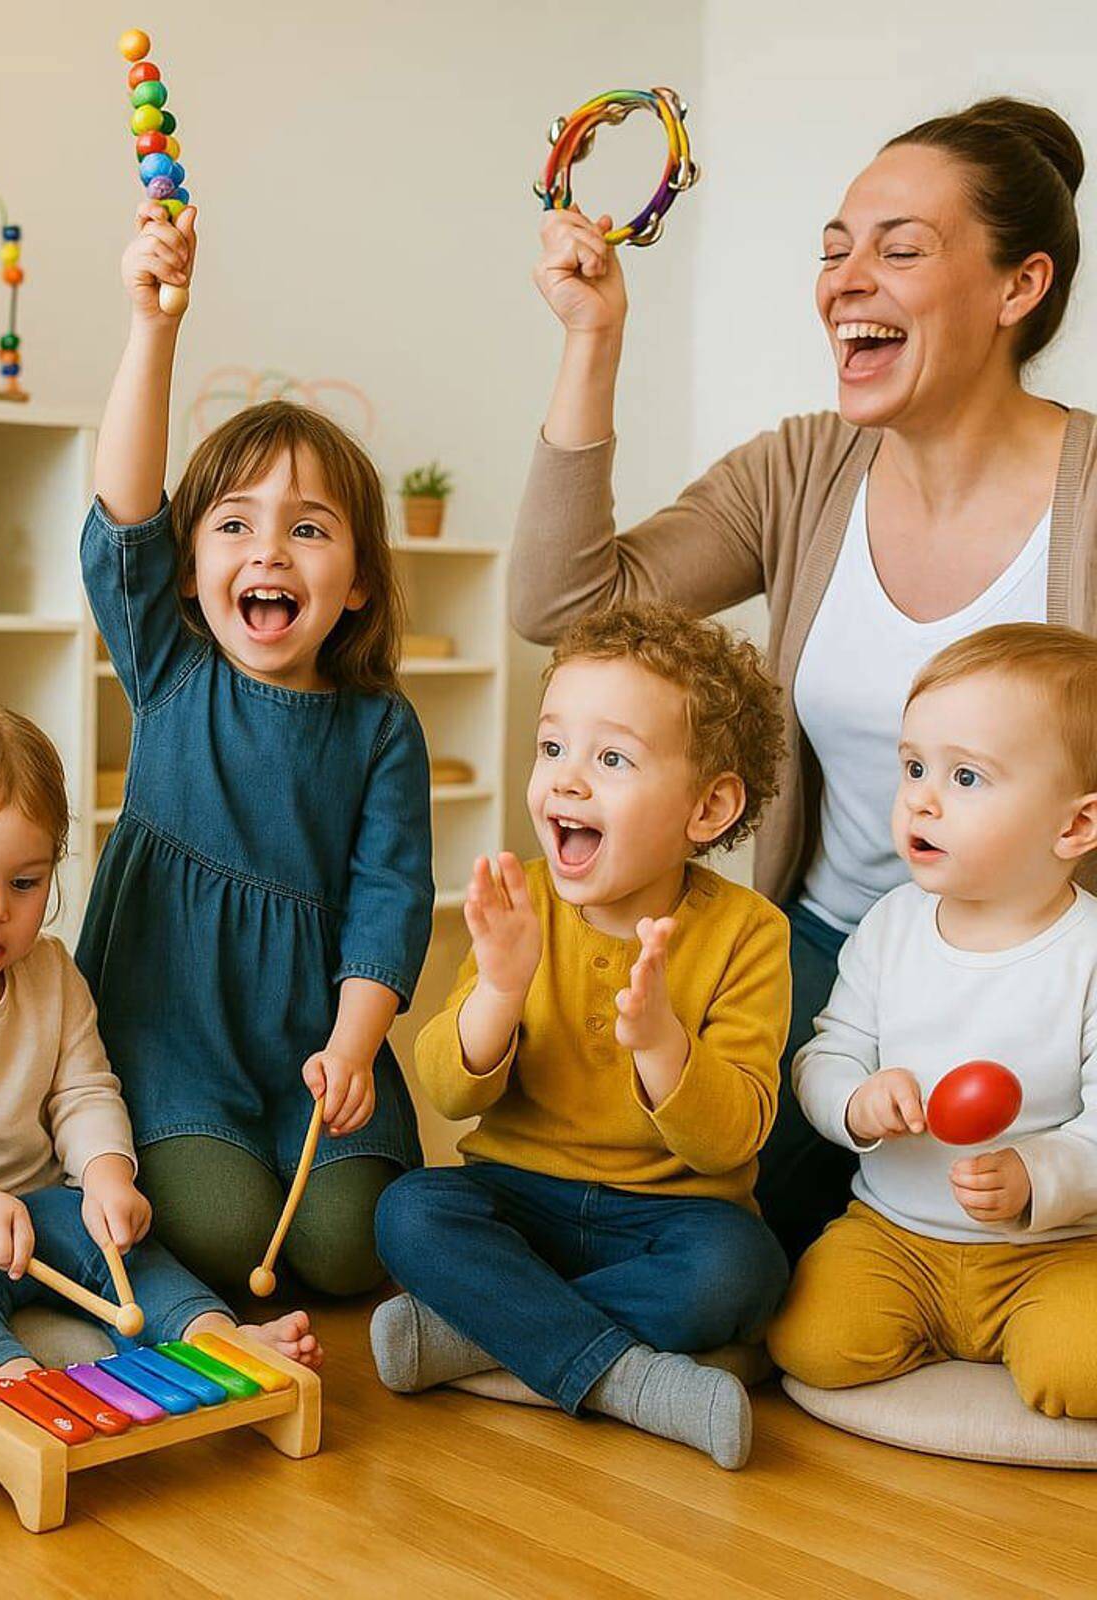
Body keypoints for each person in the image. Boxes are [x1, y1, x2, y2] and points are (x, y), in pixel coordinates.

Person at [509, 96, 1095, 1261]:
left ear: (1016, 287)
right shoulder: (802, 468)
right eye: (834, 250)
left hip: (1039, 957)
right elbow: (563, 608)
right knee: (684, 1211)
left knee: (985, 1219)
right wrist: (591, 344)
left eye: (898, 249)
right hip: (828, 947)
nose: (846, 281)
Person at [75, 200, 434, 1296]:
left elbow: (390, 900)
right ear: (188, 569)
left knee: (342, 1246)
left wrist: (356, 1046)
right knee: (230, 1232)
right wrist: (153, 327)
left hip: (313, 1043)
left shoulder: (381, 728)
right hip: (169, 1037)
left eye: (309, 528)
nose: (267, 548)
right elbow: (124, 511)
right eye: (232, 522)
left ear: (359, 579)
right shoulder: (168, 662)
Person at [373, 605, 790, 1470]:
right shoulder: (518, 900)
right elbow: (449, 1092)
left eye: (611, 759)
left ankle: (476, 1334)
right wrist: (499, 987)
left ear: (707, 806)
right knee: (410, 1211)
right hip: (520, 1197)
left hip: (673, 1217)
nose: (565, 781)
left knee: (742, 1272)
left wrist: (661, 1043)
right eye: (552, 747)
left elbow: (732, 1141)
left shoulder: (750, 933)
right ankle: (631, 1380)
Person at [0, 705, 321, 1400]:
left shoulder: (51, 973)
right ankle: (14, 1383)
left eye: (25, 883)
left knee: (127, 1249)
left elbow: (84, 1091)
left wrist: (108, 1176)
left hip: (49, 1206)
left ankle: (215, 1334)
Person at [771, 624, 1097, 1416]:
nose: (920, 796)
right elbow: (827, 1053)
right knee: (810, 1342)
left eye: (965, 777)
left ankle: (1028, 1329)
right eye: (913, 766)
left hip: (1052, 1249)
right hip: (895, 1234)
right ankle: (937, 1323)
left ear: (1074, 828)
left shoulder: (1086, 954)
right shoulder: (891, 925)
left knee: (1078, 1371)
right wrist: (858, 1101)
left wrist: (1034, 1177)